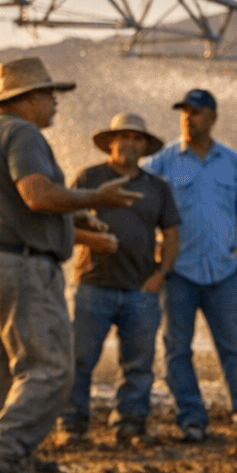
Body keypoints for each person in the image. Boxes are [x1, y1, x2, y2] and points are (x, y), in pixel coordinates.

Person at [0, 57, 140, 473]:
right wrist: (94, 198)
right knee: (50, 367)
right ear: (30, 99)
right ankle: (5, 448)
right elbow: (35, 195)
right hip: (21, 266)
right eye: (50, 95)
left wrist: (72, 219)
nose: (55, 103)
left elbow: (2, 207)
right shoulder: (22, 133)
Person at [141, 88, 237, 443]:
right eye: (184, 111)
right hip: (178, 273)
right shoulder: (161, 162)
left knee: (236, 350)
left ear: (212, 117)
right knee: (177, 351)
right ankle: (192, 419)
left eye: (196, 112)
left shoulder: (231, 162)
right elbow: (138, 205)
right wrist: (154, 253)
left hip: (223, 272)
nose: (188, 117)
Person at [57, 112, 180, 447]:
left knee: (138, 364)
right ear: (110, 142)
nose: (129, 143)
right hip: (93, 284)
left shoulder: (157, 188)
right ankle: (72, 426)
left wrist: (161, 275)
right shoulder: (89, 177)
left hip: (141, 289)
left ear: (144, 146)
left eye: (136, 138)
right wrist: (90, 241)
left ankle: (131, 425)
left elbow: (171, 233)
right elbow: (62, 223)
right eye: (123, 136)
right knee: (79, 359)